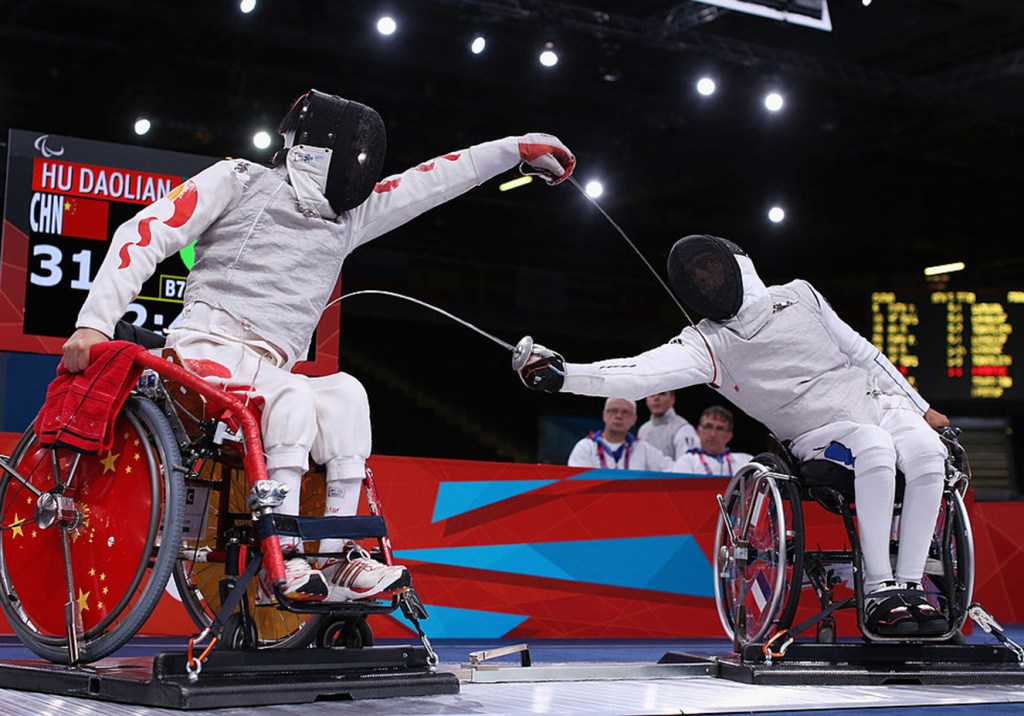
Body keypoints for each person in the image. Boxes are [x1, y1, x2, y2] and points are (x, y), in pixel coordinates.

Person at [62, 88, 575, 604]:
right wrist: (95, 323)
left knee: (347, 393)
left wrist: (514, 149)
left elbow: (431, 181)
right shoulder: (240, 179)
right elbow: (146, 231)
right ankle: (282, 555)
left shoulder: (349, 217)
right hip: (204, 349)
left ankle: (337, 556)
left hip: (271, 369)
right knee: (292, 398)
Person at [518, 233, 950, 637]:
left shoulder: (801, 294)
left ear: (738, 264)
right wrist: (567, 375)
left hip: (879, 404)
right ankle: (879, 590)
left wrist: (920, 407)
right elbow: (638, 374)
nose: (706, 280)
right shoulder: (706, 344)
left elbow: (862, 351)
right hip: (821, 433)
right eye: (696, 277)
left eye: (709, 267)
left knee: (930, 454)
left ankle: (911, 584)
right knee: (872, 446)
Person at [567, 398, 671, 470]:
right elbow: (576, 483)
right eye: (613, 410)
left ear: (634, 419)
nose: (619, 416)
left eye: (625, 412)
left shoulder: (643, 448)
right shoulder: (585, 447)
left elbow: (673, 470)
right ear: (604, 415)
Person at [673, 405, 752, 477]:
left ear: (729, 436)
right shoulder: (686, 461)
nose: (713, 434)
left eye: (720, 429)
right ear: (699, 431)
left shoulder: (745, 461)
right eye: (708, 427)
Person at [637, 390, 699, 460]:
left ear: (672, 399)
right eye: (652, 394)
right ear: (646, 400)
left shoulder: (684, 429)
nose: (656, 398)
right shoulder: (643, 430)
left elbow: (687, 466)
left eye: (662, 393)